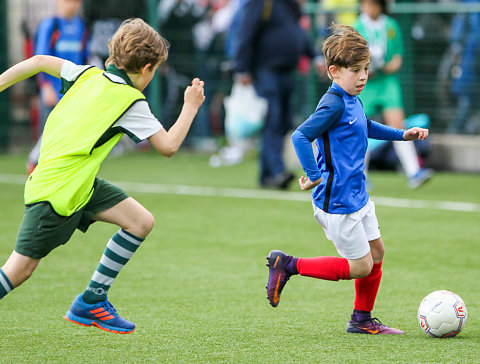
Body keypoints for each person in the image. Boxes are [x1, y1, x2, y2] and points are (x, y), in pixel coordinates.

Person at [0, 19, 205, 334]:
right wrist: (190, 106)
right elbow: (169, 146)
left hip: (77, 183)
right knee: (18, 270)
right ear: (147, 68)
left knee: (140, 221)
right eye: (155, 71)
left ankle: (91, 301)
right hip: (56, 192)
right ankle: (90, 303)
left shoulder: (86, 74)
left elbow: (39, 61)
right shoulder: (130, 101)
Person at [265, 24, 429, 335]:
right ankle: (288, 265)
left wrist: (401, 135)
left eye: (366, 68)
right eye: (355, 70)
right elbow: (301, 136)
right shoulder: (333, 102)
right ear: (334, 71)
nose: (364, 76)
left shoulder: (352, 96)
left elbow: (364, 125)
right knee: (361, 267)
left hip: (357, 196)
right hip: (337, 200)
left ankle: (362, 320)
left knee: (377, 253)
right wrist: (313, 175)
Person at [233, 0, 317, 189]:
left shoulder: (290, 6)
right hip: (265, 71)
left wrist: (315, 55)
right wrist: (242, 68)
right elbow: (245, 33)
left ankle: (267, 176)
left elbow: (298, 34)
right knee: (273, 119)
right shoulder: (262, 3)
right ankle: (278, 171)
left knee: (281, 123)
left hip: (286, 73)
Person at [354, 0, 432, 189]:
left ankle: (414, 172)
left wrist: (386, 66)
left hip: (388, 82)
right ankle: (360, 176)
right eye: (366, 4)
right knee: (359, 127)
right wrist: (366, 69)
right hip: (365, 82)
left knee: (398, 124)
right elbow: (352, 58)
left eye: (373, 4)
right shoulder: (356, 27)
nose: (369, 8)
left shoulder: (391, 25)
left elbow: (397, 56)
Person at [27, 0, 89, 175]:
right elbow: (39, 60)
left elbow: (84, 59)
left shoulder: (82, 27)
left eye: (76, 2)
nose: (72, 5)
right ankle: (34, 165)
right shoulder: (50, 25)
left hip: (73, 94)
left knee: (70, 136)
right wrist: (45, 86)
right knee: (48, 135)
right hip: (53, 92)